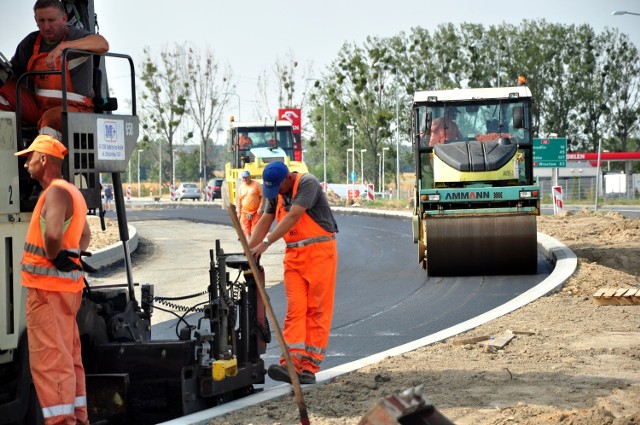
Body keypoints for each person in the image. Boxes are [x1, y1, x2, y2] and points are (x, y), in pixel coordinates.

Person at [15, 134, 92, 425]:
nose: (26, 165)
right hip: (65, 291)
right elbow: (84, 236)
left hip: (47, 293)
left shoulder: (56, 194)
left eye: (30, 158)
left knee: (51, 364)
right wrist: (69, 256)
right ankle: (78, 418)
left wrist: (55, 253)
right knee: (69, 359)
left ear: (44, 159)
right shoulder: (73, 192)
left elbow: (52, 234)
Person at [249, 162, 338, 385]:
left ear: (288, 178)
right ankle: (290, 364)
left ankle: (309, 367)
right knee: (295, 310)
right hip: (294, 257)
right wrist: (249, 250)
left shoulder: (307, 183)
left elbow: (293, 217)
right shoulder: (274, 191)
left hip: (320, 252)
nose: (275, 193)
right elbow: (265, 220)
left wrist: (267, 243)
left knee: (317, 310)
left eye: (278, 188)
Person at [0, 0, 109, 138]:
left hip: (75, 111)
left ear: (64, 18)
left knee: (50, 119)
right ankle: (6, 149)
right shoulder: (30, 43)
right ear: (35, 20)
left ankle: (42, 158)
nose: (46, 26)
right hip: (40, 108)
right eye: (41, 20)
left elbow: (102, 44)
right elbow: (13, 76)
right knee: (4, 90)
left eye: (51, 20)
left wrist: (63, 47)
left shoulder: (76, 36)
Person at [236, 170, 262, 238]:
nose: (244, 179)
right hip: (244, 211)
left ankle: (253, 243)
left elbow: (262, 197)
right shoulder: (241, 187)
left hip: (255, 211)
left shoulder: (256, 184)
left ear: (250, 177)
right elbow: (239, 199)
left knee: (255, 229)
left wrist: (260, 208)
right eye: (243, 178)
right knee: (245, 229)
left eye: (246, 177)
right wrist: (239, 211)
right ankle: (248, 244)